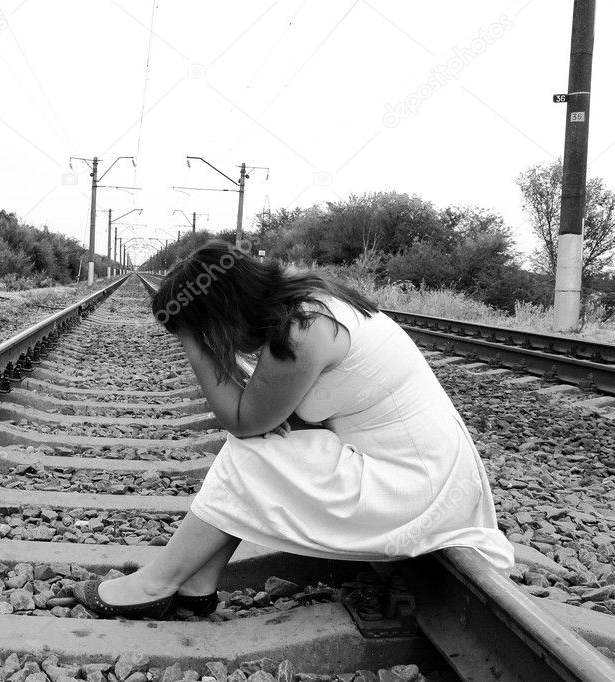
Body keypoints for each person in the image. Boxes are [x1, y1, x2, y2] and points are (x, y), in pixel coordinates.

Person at [73, 240, 514, 619]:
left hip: (413, 488)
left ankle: (156, 585)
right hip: (420, 470)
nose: (211, 342)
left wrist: (189, 339)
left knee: (251, 450)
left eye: (205, 331)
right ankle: (196, 584)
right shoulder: (309, 301)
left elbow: (242, 421)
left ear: (222, 314)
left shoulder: (301, 330)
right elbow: (295, 409)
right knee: (263, 445)